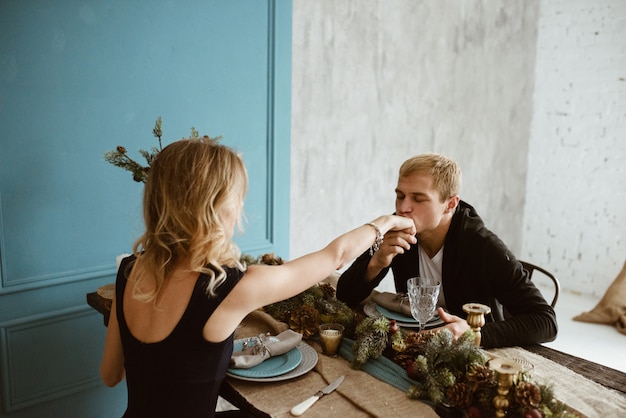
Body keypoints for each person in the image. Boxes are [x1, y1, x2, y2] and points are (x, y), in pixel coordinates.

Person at [100, 137, 415, 418]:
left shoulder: (129, 269)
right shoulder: (229, 287)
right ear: (216, 207)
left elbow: (111, 374)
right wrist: (384, 222)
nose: (239, 210)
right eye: (237, 199)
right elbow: (335, 257)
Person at [336, 153, 557, 349]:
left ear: (450, 204)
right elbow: (344, 295)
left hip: (469, 355)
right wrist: (377, 262)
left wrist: (474, 335)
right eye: (400, 195)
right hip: (415, 345)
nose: (403, 208)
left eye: (418, 198)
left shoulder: (483, 246)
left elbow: (546, 321)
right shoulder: (399, 229)